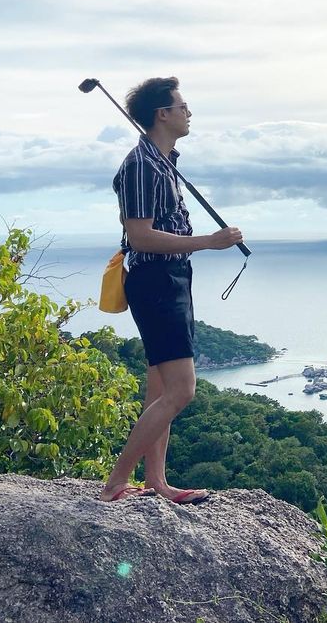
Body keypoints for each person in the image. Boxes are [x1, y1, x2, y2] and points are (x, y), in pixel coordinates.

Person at [99, 76, 243, 503]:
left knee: (160, 389)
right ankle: (115, 483)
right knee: (182, 390)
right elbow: (140, 236)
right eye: (182, 106)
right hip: (157, 281)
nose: (188, 112)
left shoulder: (161, 160)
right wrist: (209, 242)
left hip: (170, 278)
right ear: (163, 114)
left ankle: (156, 482)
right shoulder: (141, 165)